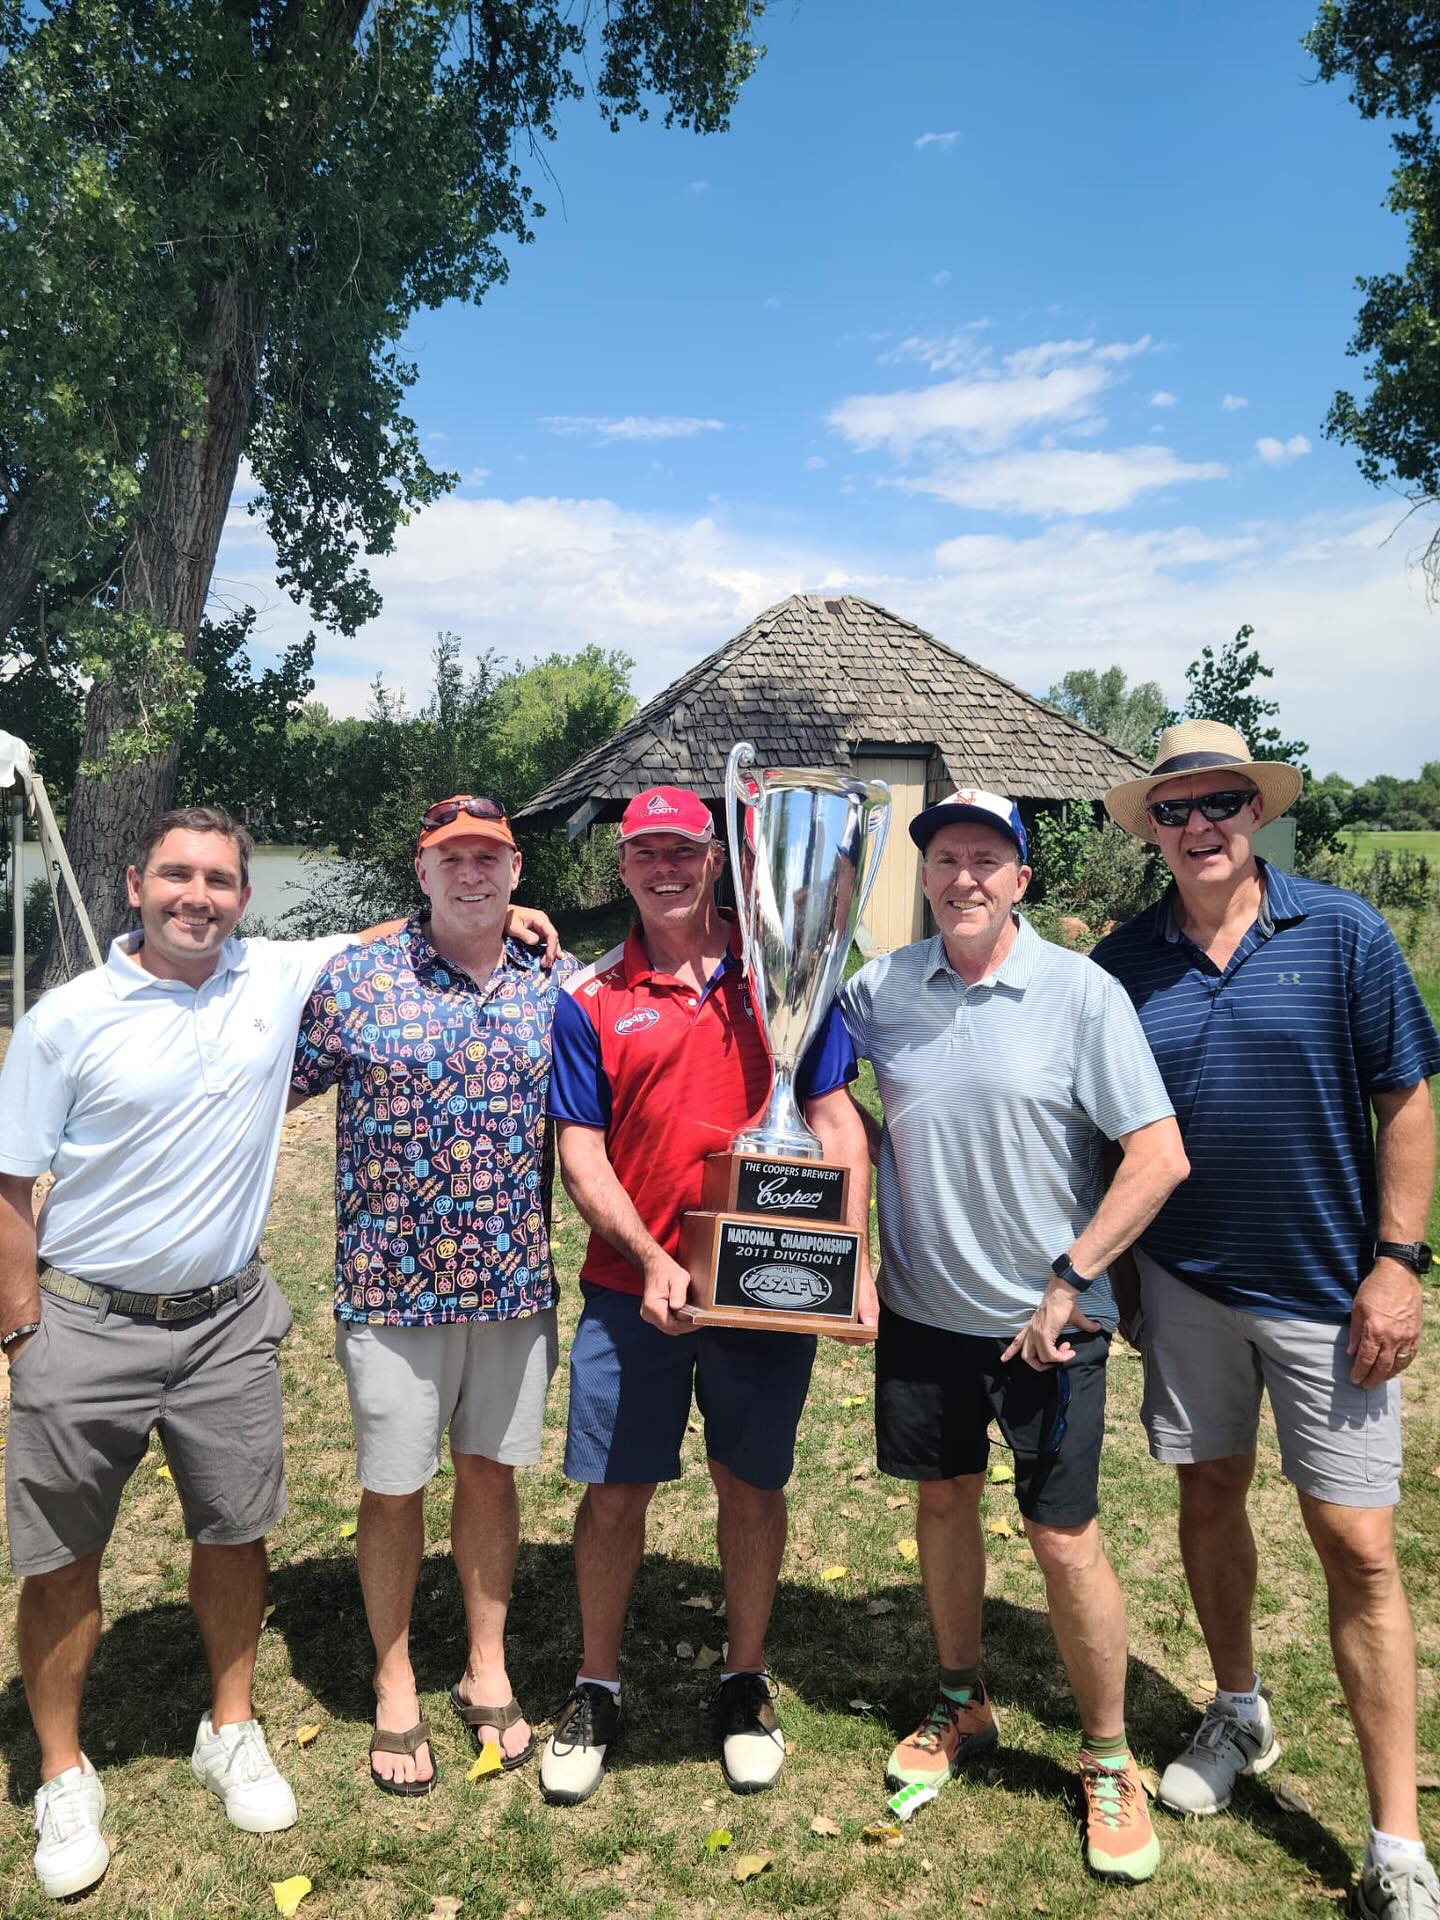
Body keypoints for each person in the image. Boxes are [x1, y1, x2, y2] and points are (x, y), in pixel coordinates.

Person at [0, 804, 558, 1899]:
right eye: (176, 876)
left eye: (217, 881)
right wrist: (19, 1323)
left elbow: (447, 933)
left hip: (334, 1308)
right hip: (142, 1310)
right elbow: (13, 1179)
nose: (196, 897)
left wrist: (508, 911)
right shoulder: (82, 1015)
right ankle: (64, 1771)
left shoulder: (515, 972)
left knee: (240, 1527)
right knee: (62, 1554)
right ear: (134, 883)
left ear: (244, 898)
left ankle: (241, 1722)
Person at [1092, 721, 1440, 1920]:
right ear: (1153, 830)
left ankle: (1396, 1840)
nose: (1200, 827)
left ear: (1257, 812)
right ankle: (1238, 1706)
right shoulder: (1121, 960)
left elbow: (1406, 1099)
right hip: (1185, 1287)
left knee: (1358, 1547)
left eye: (1221, 804)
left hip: (1328, 1292)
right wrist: (1125, 1278)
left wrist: (1399, 1265)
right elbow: (1108, 1132)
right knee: (1207, 1494)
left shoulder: (1340, 933)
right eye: (1176, 811)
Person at [838, 787, 1189, 1886]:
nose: (963, 879)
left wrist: (1074, 1278)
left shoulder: (1080, 995)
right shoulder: (881, 990)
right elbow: (779, 1028)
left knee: (1063, 1538)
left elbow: (1159, 1155)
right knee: (941, 1503)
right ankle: (962, 1701)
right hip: (924, 1314)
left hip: (1050, 1325)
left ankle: (1107, 1757)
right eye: (945, 859)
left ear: (1021, 880)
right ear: (926, 877)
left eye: (985, 859)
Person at [538, 784, 874, 1806]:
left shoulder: (788, 969)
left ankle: (743, 1678)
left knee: (751, 1484)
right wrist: (648, 1258)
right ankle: (597, 1683)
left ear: (719, 860)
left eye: (686, 850)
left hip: (763, 1287)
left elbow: (834, 1120)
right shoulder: (589, 995)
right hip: (628, 1291)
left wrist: (847, 1258)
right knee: (613, 1494)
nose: (668, 869)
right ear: (625, 867)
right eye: (648, 854)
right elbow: (580, 1156)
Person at [290, 795, 576, 1795]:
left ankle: (487, 1663)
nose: (470, 873)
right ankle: (396, 1675)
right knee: (394, 1485)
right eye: (449, 858)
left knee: (492, 1476)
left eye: (487, 858)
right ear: (421, 871)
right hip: (391, 1288)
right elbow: (257, 1077)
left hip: (510, 1282)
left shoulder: (557, 983)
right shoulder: (358, 982)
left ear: (514, 869)